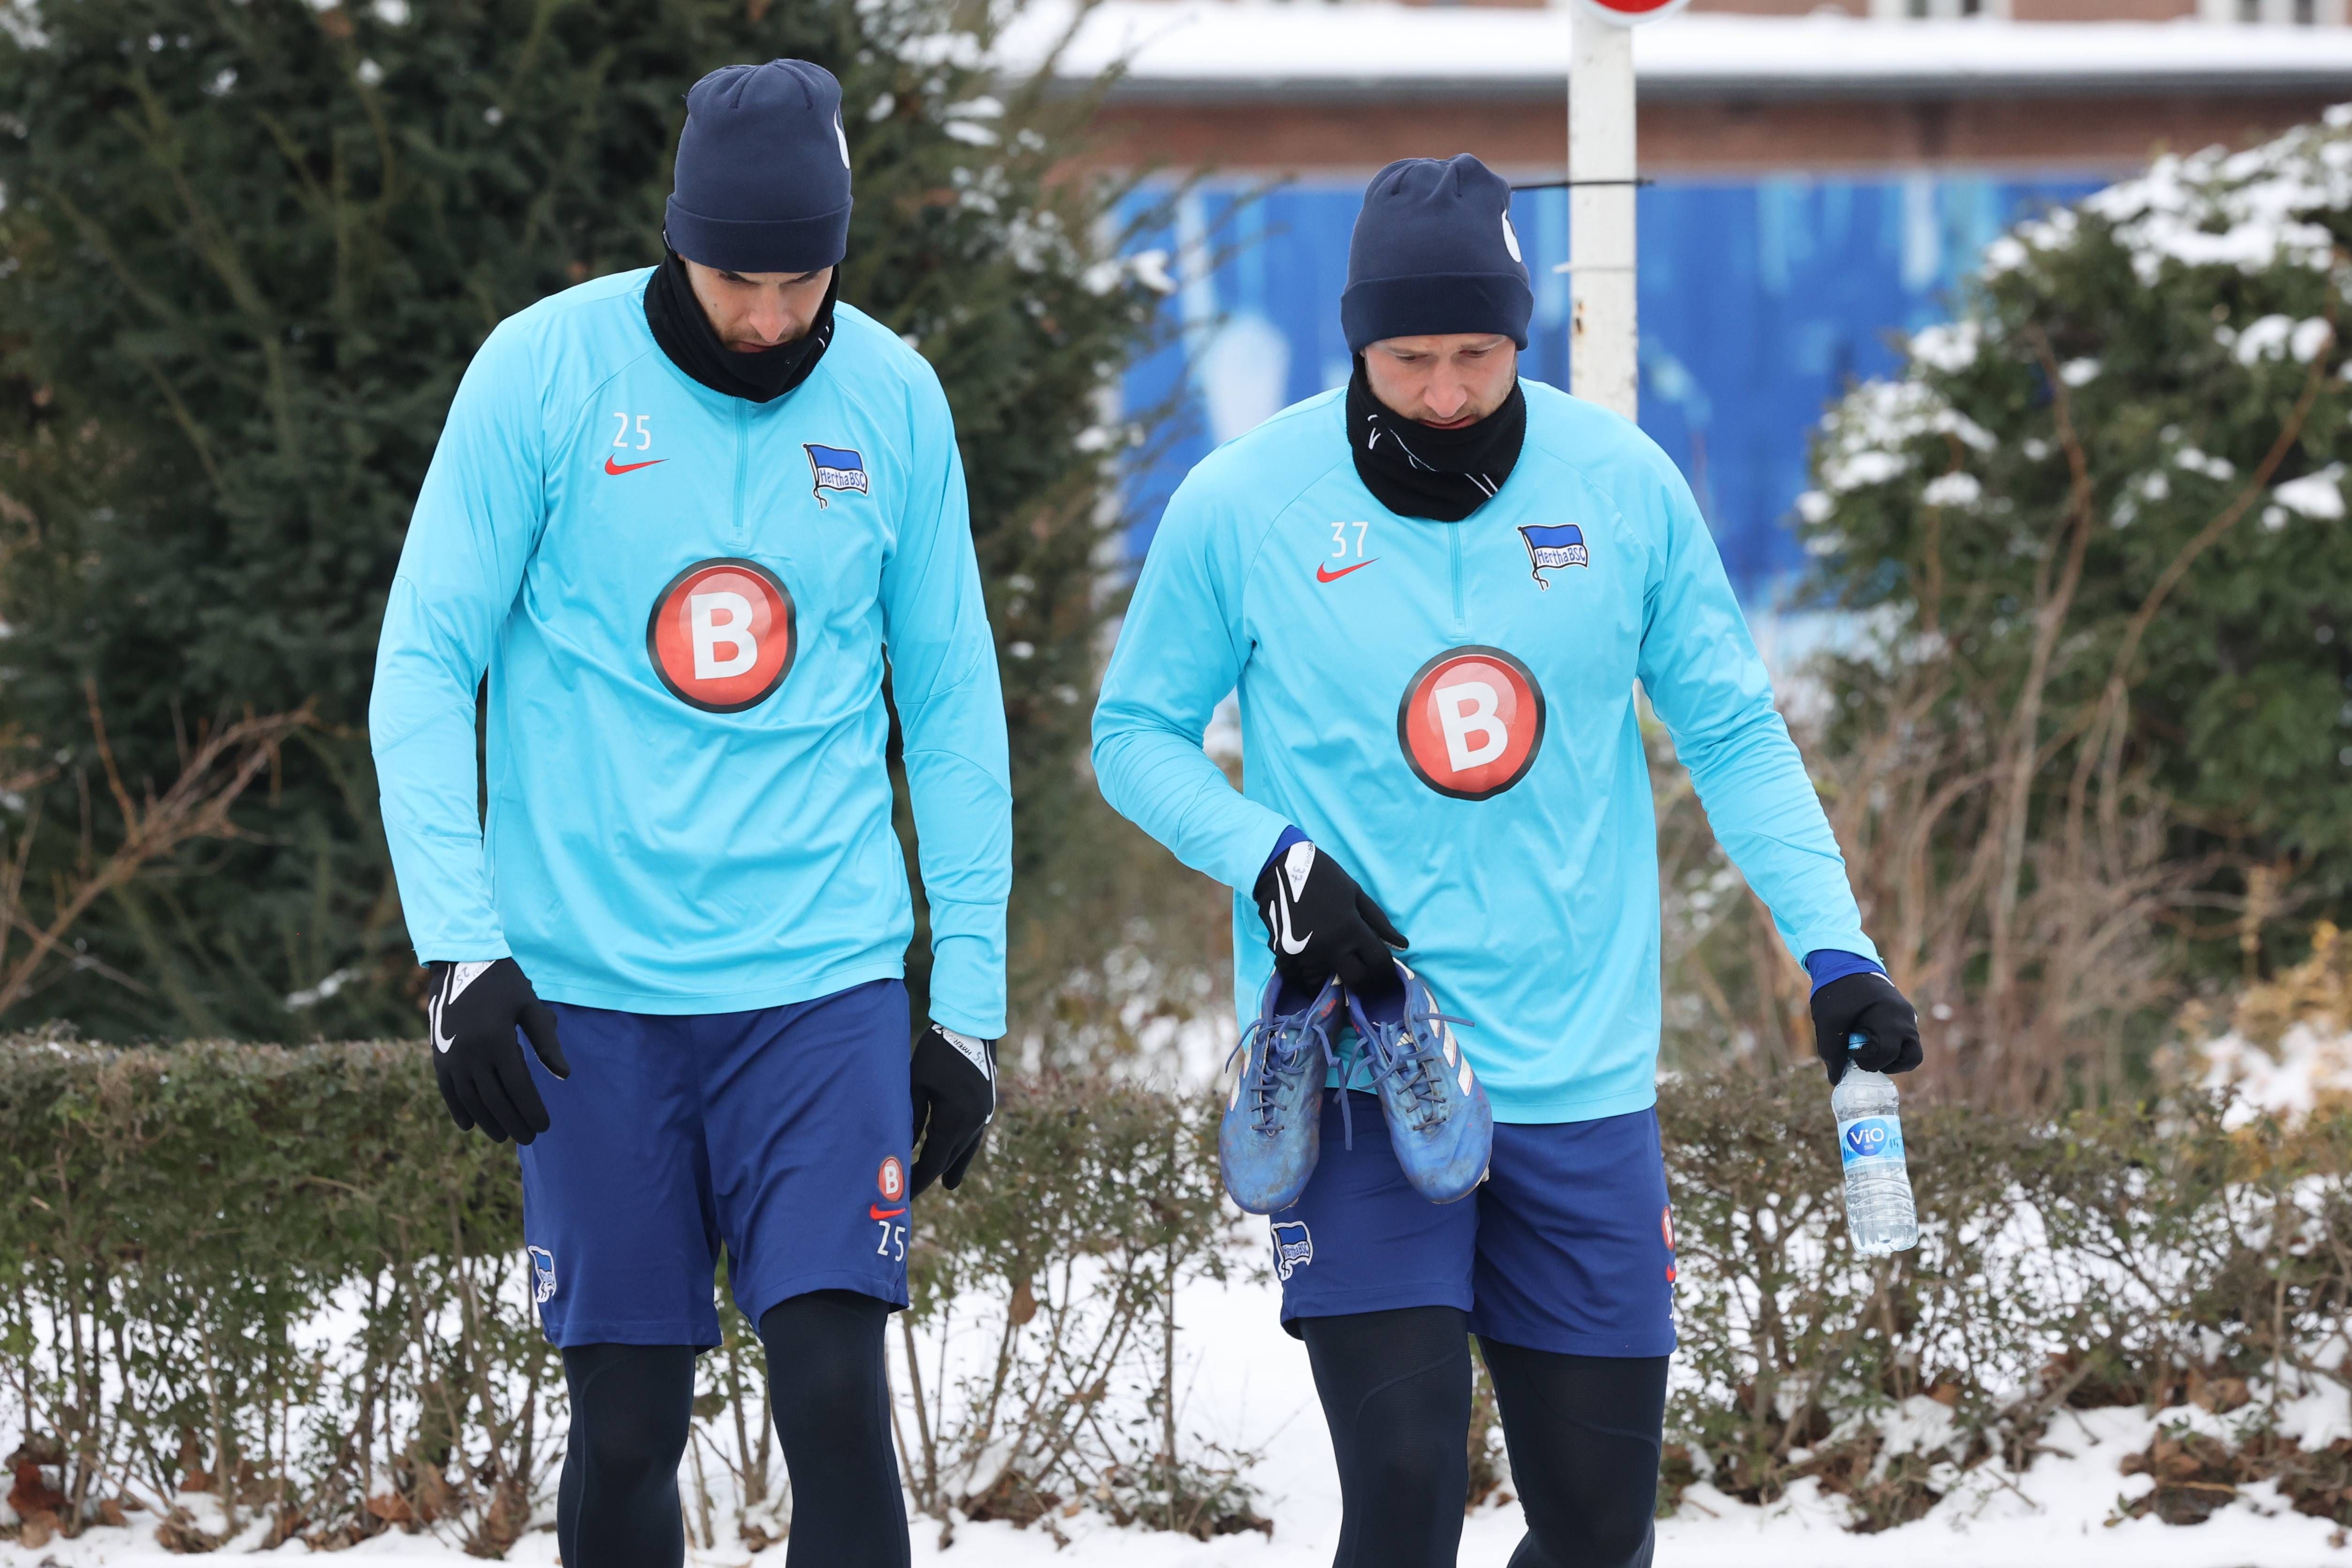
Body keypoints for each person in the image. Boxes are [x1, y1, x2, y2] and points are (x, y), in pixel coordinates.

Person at [1092, 153, 1922, 1568]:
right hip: (1362, 1070)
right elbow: (1134, 736)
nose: (1446, 390)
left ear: (1520, 336)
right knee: (1405, 1497)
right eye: (1411, 357)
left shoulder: (1620, 484)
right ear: (1356, 340)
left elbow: (1730, 730)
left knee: (1599, 1534)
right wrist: (1271, 860)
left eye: (1477, 354)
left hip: (1579, 1083)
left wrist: (1835, 950)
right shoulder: (1244, 503)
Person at [370, 59, 1010, 1568]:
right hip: (593, 997)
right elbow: (422, 664)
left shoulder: (894, 400)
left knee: (839, 1397)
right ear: (677, 238)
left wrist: (968, 994)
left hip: (819, 986)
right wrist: (460, 950)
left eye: (804, 280)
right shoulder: (542, 373)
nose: (770, 317)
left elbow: (958, 707)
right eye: (737, 278)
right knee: (630, 1421)